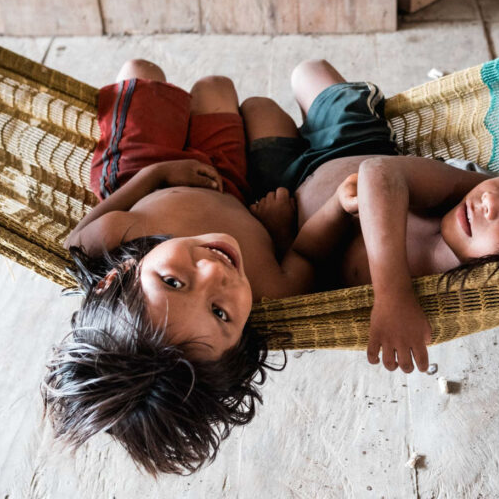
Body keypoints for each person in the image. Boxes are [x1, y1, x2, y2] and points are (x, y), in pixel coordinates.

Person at [43, 59, 355, 476]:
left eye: (172, 281)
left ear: (118, 276)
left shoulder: (118, 239)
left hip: (141, 168)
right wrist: (278, 232)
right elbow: (306, 257)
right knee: (216, 86)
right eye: (220, 313)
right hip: (223, 179)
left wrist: (156, 175)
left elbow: (73, 239)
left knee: (141, 69)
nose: (213, 273)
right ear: (237, 346)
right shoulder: (272, 288)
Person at [247, 59, 499, 376]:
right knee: (308, 70)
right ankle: (312, 119)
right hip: (354, 146)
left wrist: (280, 237)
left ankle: (292, 131)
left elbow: (306, 273)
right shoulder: (465, 190)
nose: (491, 203)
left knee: (257, 107)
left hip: (285, 195)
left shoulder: (456, 289)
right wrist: (393, 295)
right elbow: (378, 173)